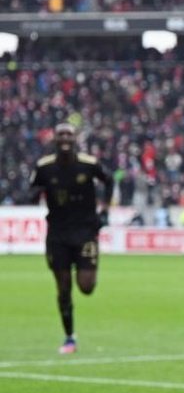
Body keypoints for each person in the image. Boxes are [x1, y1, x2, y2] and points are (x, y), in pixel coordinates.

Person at [29, 123, 111, 354]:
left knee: (86, 287)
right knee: (63, 288)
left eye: (69, 134)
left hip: (85, 232)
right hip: (58, 234)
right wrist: (35, 194)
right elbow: (31, 190)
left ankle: (88, 266)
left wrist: (104, 211)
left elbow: (109, 181)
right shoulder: (44, 167)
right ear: (54, 140)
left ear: (76, 139)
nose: (65, 138)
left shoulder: (89, 164)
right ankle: (69, 338)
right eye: (61, 134)